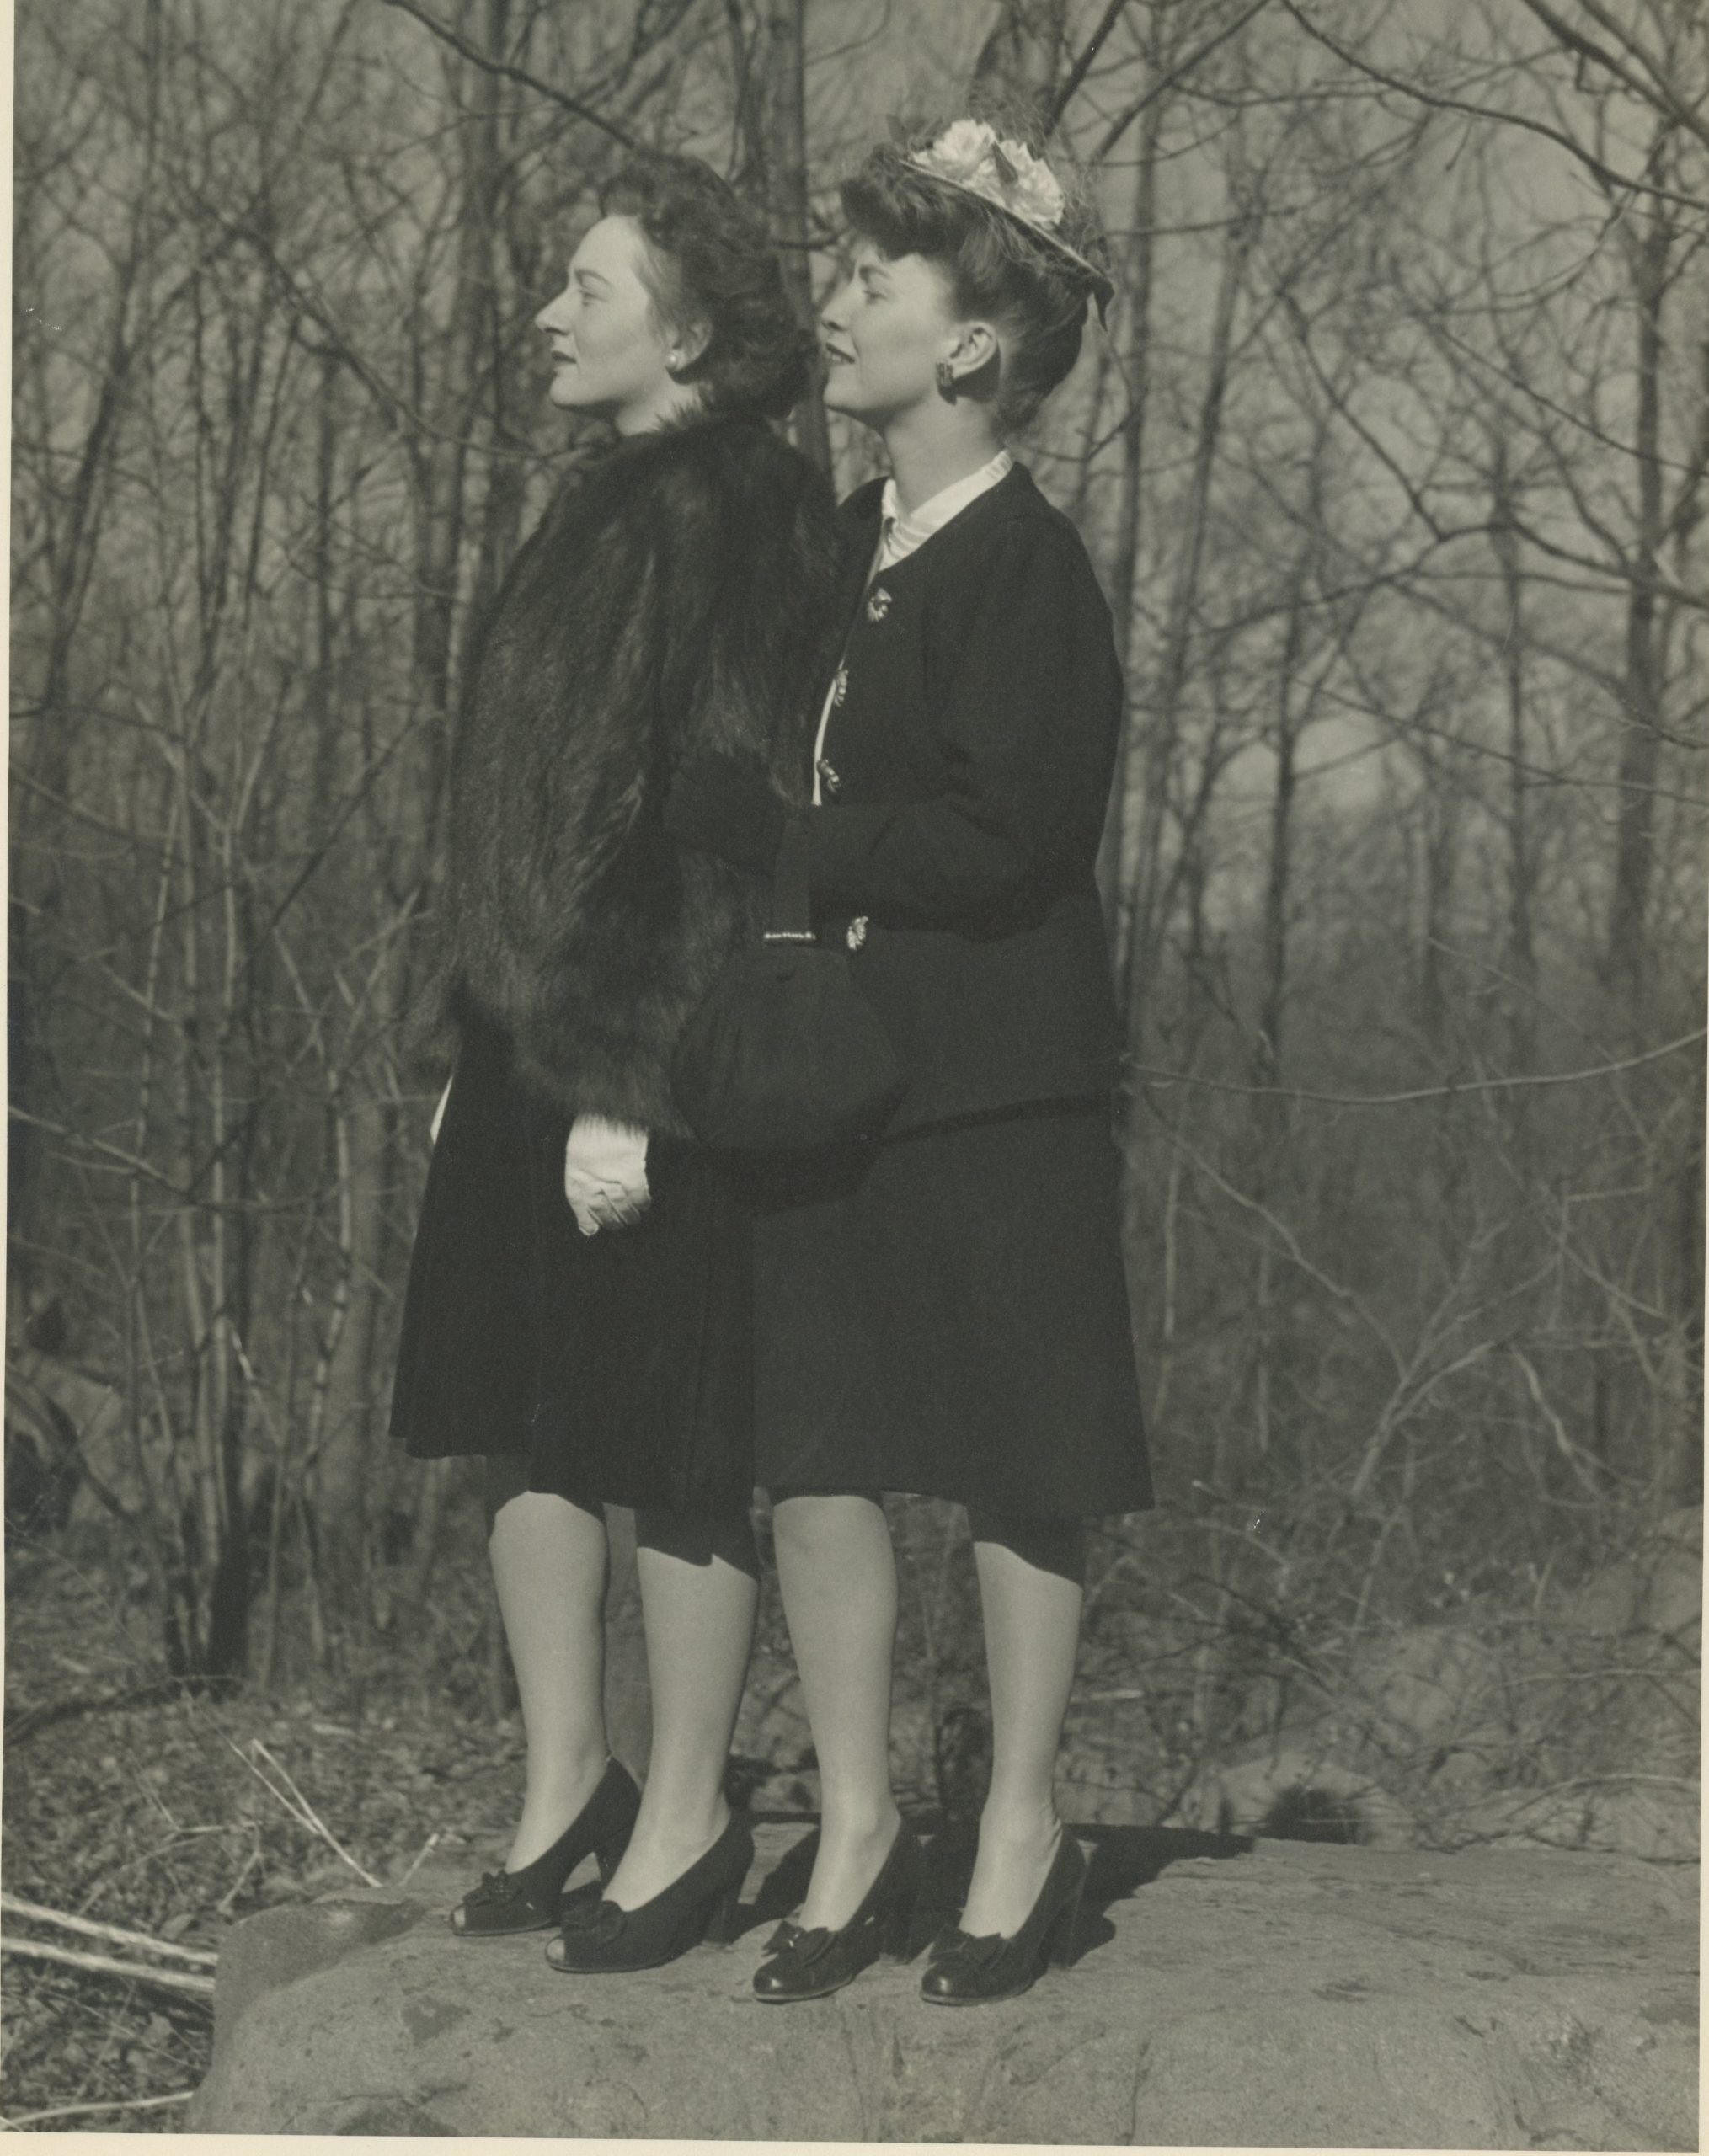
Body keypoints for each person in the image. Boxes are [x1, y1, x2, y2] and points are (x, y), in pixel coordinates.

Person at [666, 115, 1151, 2006]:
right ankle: (856, 1823)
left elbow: (1008, 835)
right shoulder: (838, 548)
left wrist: (791, 843)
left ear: (972, 347)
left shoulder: (1028, 565)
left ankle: (1020, 1824)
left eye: (881, 280)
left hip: (998, 1080)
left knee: (1022, 1460)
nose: (840, 304)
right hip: (834, 1082)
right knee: (821, 1459)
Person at [390, 152, 839, 1974]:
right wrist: (481, 1035)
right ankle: (565, 1782)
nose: (551, 311)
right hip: (525, 1027)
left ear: (694, 325)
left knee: (673, 1440)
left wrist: (620, 1076)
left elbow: (717, 819)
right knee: (512, 1406)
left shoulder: (742, 504)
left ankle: (685, 1808)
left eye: (590, 283)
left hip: (645, 1046)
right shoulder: (605, 498)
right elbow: (530, 809)